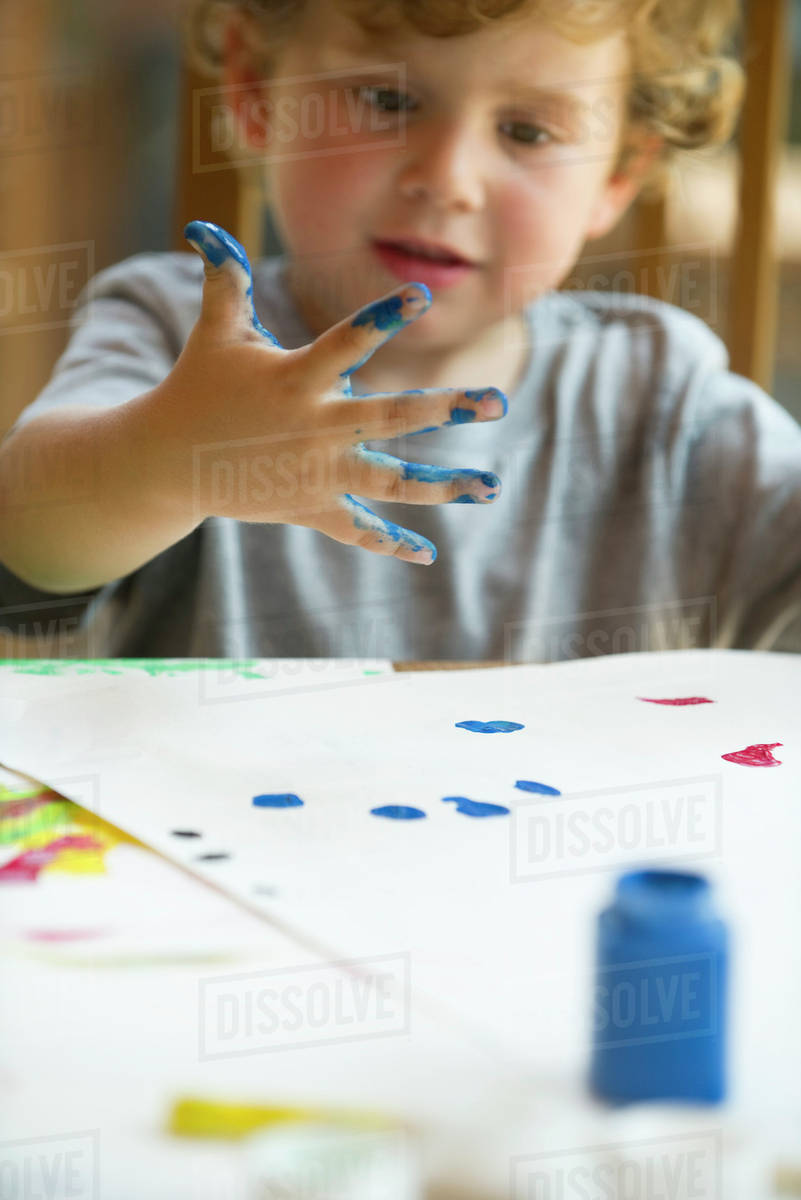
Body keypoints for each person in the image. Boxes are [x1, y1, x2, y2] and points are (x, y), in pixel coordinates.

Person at [2, 0, 798, 662]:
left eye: (526, 132)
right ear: (253, 90)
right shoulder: (180, 335)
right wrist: (170, 457)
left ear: (619, 172)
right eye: (387, 101)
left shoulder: (658, 396)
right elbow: (29, 539)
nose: (447, 179)